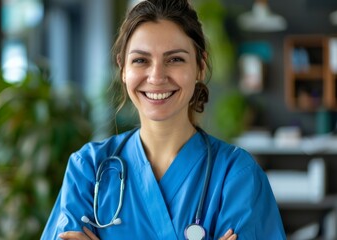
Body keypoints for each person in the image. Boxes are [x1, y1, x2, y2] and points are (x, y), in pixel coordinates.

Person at [41, 0, 286, 239]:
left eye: (175, 59)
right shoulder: (88, 170)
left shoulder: (236, 175)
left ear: (200, 66)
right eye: (141, 60)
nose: (157, 76)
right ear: (123, 68)